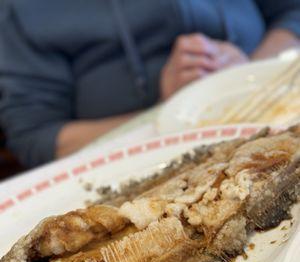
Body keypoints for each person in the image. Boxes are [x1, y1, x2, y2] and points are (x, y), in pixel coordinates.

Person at [0, 0, 299, 169]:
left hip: (275, 102)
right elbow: (36, 136)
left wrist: (246, 72)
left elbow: (292, 13)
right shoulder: (22, 12)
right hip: (145, 164)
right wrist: (165, 109)